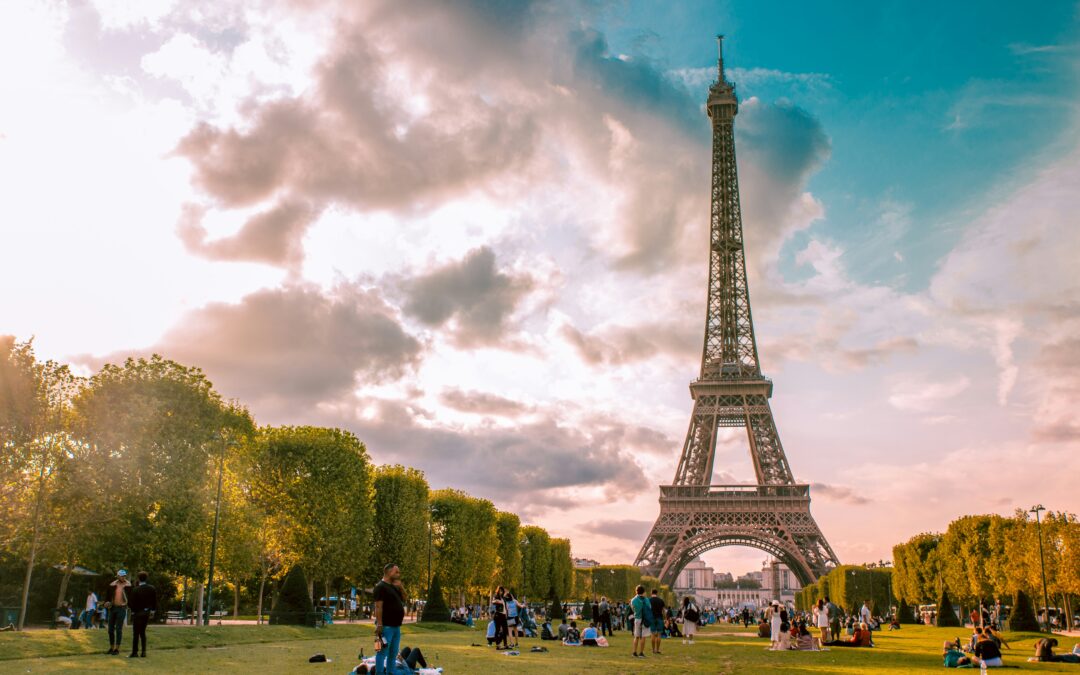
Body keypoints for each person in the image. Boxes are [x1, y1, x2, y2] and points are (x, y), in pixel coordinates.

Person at [374, 563, 407, 675]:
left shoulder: (394, 586)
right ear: (389, 572)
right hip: (386, 627)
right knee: (382, 652)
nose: (398, 574)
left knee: (393, 654)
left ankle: (390, 673)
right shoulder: (380, 587)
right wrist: (379, 624)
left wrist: (400, 587)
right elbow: (378, 606)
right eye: (396, 572)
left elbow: (404, 598)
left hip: (396, 627)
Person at [128, 571, 157, 658]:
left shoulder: (135, 589)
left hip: (137, 613)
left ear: (138, 579)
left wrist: (133, 611)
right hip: (146, 612)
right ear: (146, 578)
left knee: (136, 633)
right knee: (143, 632)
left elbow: (131, 602)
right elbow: (154, 601)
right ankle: (143, 652)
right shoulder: (152, 588)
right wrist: (152, 611)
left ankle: (135, 652)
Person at [107, 570, 131, 655]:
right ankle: (111, 647)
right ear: (117, 576)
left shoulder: (128, 585)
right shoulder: (113, 584)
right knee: (110, 629)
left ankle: (117, 649)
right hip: (113, 608)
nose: (123, 577)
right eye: (121, 576)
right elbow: (108, 596)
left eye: (124, 576)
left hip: (122, 608)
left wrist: (128, 604)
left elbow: (131, 597)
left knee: (118, 629)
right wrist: (107, 602)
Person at [630, 585, 652, 659]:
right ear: (644, 592)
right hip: (645, 619)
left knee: (636, 636)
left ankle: (634, 652)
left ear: (636, 591)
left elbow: (633, 609)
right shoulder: (646, 600)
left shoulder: (633, 600)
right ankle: (641, 653)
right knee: (643, 637)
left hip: (637, 618)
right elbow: (649, 608)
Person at [648, 590, 665, 655]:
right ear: (657, 593)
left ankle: (653, 650)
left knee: (653, 634)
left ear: (651, 593)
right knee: (659, 634)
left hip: (652, 618)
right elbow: (663, 611)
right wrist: (665, 618)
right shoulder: (661, 600)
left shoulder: (649, 600)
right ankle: (657, 649)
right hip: (659, 618)